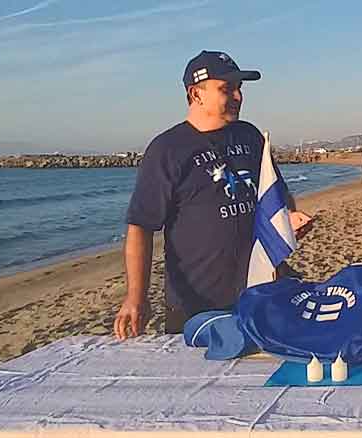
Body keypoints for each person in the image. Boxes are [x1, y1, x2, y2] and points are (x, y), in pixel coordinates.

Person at [114, 50, 307, 339]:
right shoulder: (167, 150)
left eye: (239, 88)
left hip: (261, 293)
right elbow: (141, 226)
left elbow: (275, 192)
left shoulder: (250, 136)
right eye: (226, 89)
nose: (238, 96)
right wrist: (136, 297)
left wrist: (288, 217)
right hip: (198, 306)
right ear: (196, 94)